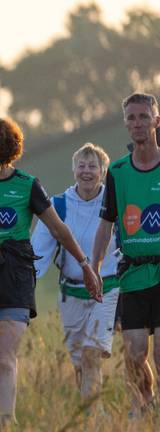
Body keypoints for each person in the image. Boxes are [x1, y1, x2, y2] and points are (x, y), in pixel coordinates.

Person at [0, 118, 100, 427]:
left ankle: (8, 420)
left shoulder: (27, 184)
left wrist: (84, 265)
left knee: (4, 357)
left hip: (15, 271)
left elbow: (58, 229)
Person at [31, 143, 119, 408]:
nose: (86, 171)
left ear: (103, 172)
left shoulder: (113, 203)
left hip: (107, 290)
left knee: (92, 353)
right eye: (81, 165)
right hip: (71, 293)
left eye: (93, 166)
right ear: (73, 170)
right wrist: (24, 287)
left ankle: (93, 415)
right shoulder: (58, 205)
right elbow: (38, 251)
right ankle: (91, 411)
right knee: (80, 361)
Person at [92, 92, 160, 418]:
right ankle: (146, 403)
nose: (137, 123)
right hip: (132, 274)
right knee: (134, 353)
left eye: (143, 117)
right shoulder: (117, 171)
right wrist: (94, 267)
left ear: (156, 121)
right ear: (125, 124)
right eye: (131, 118)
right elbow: (106, 223)